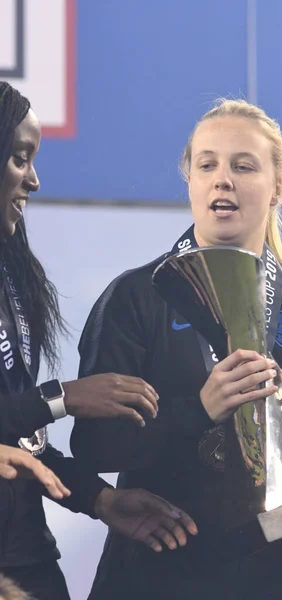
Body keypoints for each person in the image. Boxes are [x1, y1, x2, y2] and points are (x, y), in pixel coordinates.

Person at [71, 98, 282, 600]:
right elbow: (93, 446)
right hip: (153, 573)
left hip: (276, 577)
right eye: (207, 165)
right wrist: (199, 410)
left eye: (243, 166)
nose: (222, 179)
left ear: (278, 188)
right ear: (190, 180)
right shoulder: (136, 297)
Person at [0, 81, 197, 600]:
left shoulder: (11, 276)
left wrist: (101, 500)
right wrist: (62, 398)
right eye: (19, 158)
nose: (34, 180)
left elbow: (19, 440)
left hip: (29, 556)